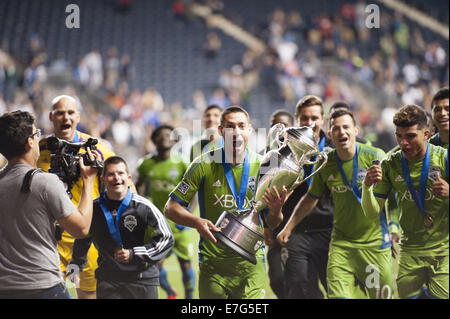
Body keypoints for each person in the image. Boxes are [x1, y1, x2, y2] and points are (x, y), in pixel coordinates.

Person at [164, 106, 288, 299]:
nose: (236, 132)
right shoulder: (203, 164)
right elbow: (171, 207)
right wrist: (197, 222)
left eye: (241, 126)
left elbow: (272, 223)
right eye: (230, 127)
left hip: (250, 264)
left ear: (249, 130)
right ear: (221, 131)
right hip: (213, 265)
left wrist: (276, 209)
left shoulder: (264, 166)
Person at [278, 108, 394, 299]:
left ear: (356, 130)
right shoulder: (326, 162)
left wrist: (394, 227)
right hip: (342, 245)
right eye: (336, 129)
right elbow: (310, 198)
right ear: (330, 134)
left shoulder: (376, 156)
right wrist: (288, 227)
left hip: (374, 245)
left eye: (346, 127)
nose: (342, 132)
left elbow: (394, 196)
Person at [0, 110, 98, 299]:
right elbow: (81, 228)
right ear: (30, 142)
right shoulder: (45, 182)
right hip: (42, 285)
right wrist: (88, 181)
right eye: (36, 134)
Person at [362, 104, 449, 299]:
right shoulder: (390, 165)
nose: (403, 142)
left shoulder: (445, 158)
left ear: (426, 134)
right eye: (399, 136)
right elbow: (372, 212)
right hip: (410, 252)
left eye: (410, 136)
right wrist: (367, 186)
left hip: (444, 252)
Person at [37, 95, 115, 299]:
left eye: (70, 113)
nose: (66, 117)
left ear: (78, 117)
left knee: (88, 295)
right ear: (51, 117)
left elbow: (123, 189)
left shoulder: (98, 150)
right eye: (60, 113)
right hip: (48, 242)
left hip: (87, 240)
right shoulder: (36, 150)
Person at [70, 156, 174, 299]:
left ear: (128, 177)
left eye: (120, 173)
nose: (116, 178)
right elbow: (82, 238)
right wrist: (75, 265)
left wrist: (134, 254)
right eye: (111, 174)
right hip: (108, 280)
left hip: (141, 280)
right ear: (103, 179)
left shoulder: (144, 207)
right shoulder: (93, 209)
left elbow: (166, 238)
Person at [276, 96, 335, 299]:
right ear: (296, 118)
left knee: (334, 286)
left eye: (314, 117)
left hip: (329, 229)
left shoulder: (335, 149)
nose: (309, 122)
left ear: (323, 119)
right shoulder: (284, 150)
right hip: (296, 230)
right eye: (304, 118)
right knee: (298, 285)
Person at [136, 125, 196, 299]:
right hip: (159, 221)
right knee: (156, 264)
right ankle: (170, 292)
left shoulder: (183, 162)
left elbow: (194, 191)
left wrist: (188, 215)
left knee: (185, 263)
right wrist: (143, 205)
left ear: (174, 140)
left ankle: (189, 300)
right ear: (154, 140)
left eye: (168, 134)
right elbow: (138, 185)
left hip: (180, 220)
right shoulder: (145, 164)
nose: (164, 137)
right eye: (159, 135)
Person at [264, 109, 295, 299]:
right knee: (276, 279)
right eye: (275, 126)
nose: (280, 131)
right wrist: (266, 227)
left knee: (300, 280)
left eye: (284, 126)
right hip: (273, 230)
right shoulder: (263, 158)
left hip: (300, 230)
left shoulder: (303, 159)